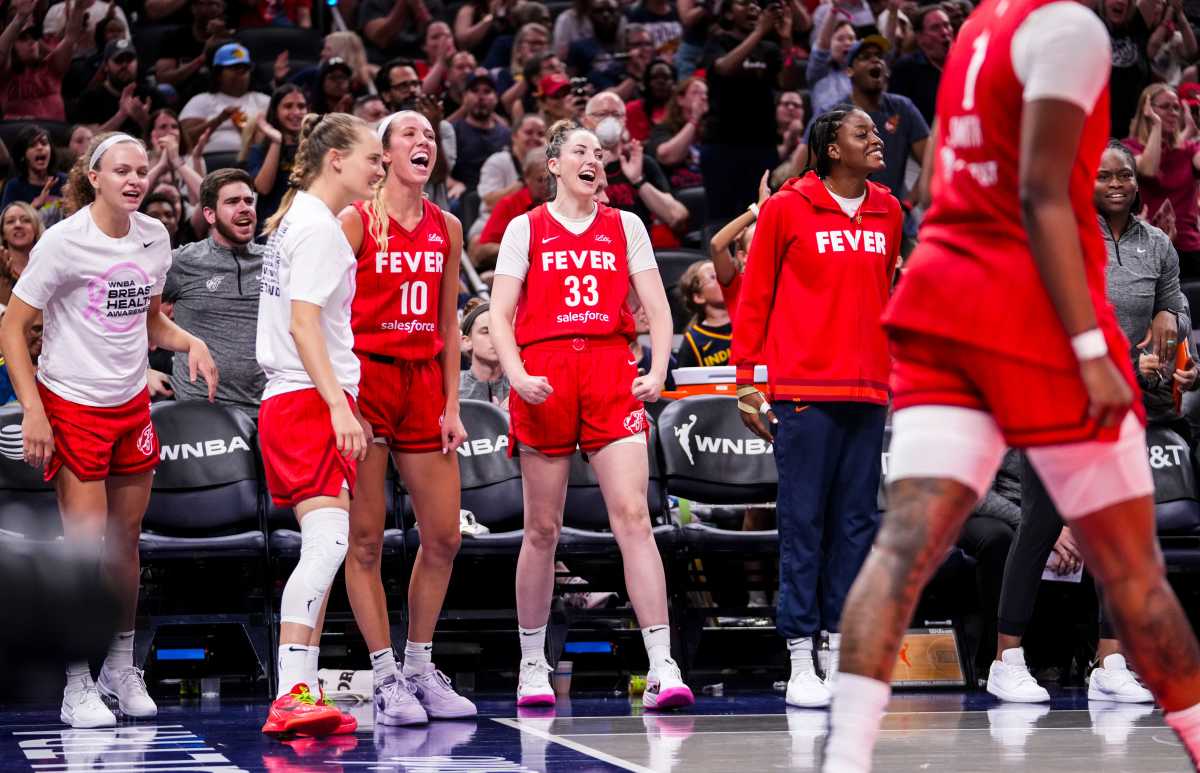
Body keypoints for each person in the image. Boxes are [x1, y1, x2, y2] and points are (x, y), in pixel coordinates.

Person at [819, 3, 1200, 770]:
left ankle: (844, 759)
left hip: (941, 298)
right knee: (1132, 568)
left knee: (901, 547)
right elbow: (1040, 189)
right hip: (1034, 309)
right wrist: (1091, 347)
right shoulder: (1072, 28)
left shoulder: (979, 28)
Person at [0, 131, 218, 729]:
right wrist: (34, 410)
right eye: (120, 170)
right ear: (93, 177)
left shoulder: (155, 236)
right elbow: (12, 328)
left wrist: (189, 339)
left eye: (141, 170)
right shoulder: (63, 243)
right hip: (71, 403)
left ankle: (120, 669)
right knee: (84, 548)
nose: (134, 179)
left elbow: (149, 323)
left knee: (125, 546)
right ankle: (76, 684)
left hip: (130, 407)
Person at [489, 119, 694, 710]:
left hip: (608, 368)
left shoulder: (625, 225)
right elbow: (500, 314)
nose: (593, 160)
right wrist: (518, 374)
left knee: (632, 515)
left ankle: (662, 664)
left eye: (598, 154)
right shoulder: (525, 229)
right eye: (580, 150)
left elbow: (658, 308)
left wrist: (656, 369)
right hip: (546, 371)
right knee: (542, 528)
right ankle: (532, 662)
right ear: (553, 165)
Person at [987, 140, 1195, 706]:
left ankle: (1110, 661)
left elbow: (1175, 308)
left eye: (1124, 174)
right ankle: (1006, 658)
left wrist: (1175, 339)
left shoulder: (1157, 246)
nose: (1116, 183)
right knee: (1039, 525)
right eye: (1103, 176)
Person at [733, 108, 900, 708]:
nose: (877, 139)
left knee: (857, 525)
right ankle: (801, 653)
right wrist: (747, 381)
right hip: (803, 389)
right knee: (802, 523)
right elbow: (754, 297)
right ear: (831, 147)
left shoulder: (890, 209)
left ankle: (839, 648)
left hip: (868, 391)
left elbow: (883, 290)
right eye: (863, 134)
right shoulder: (786, 206)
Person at [331, 110, 475, 726]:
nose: (424, 142)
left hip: (424, 383)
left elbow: (448, 324)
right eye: (409, 134)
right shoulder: (355, 221)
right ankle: (385, 674)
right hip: (366, 377)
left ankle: (419, 665)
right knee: (364, 538)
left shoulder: (448, 225)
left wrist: (451, 403)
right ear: (383, 153)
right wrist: (340, 399)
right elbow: (326, 313)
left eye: (430, 136)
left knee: (443, 535)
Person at [256, 112, 383, 737]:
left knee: (327, 546)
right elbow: (304, 324)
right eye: (372, 157)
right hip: (308, 399)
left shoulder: (299, 219)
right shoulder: (319, 230)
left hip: (302, 396)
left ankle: (299, 688)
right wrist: (337, 404)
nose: (380, 168)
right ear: (336, 159)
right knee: (329, 543)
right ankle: (290, 691)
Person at [155, 169, 265, 416]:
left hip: (266, 406)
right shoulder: (182, 263)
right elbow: (129, 311)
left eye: (249, 201)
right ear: (209, 214)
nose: (245, 208)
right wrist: (143, 372)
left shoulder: (275, 262)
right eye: (232, 202)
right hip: (201, 409)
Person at [701, 0, 789, 225]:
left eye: (756, 4)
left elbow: (787, 82)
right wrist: (760, 31)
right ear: (729, 14)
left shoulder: (769, 49)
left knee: (763, 218)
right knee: (723, 220)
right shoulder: (718, 41)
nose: (753, 7)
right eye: (743, 3)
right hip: (723, 145)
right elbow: (722, 68)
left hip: (761, 144)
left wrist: (786, 39)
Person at [1124, 84, 1200, 275]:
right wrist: (1156, 125)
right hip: (1147, 250)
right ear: (1147, 109)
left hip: (1189, 249)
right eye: (1165, 106)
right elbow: (1148, 169)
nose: (1173, 113)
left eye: (1176, 108)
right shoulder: (1128, 148)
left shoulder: (1187, 149)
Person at [0, 0, 86, 121]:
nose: (31, 43)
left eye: (34, 37)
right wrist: (20, 17)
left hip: (55, 133)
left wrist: (79, 7)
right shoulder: (6, 73)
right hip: (18, 135)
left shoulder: (51, 67)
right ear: (12, 46)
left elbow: (70, 38)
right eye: (23, 38)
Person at [179, 43, 270, 155]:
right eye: (234, 67)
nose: (241, 72)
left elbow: (273, 141)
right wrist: (218, 120)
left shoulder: (264, 101)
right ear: (218, 73)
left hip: (249, 160)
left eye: (245, 68)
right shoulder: (200, 100)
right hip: (207, 161)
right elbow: (184, 141)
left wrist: (245, 127)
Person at [470, 145, 552, 267]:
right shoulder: (509, 204)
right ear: (526, 178)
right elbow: (482, 250)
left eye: (552, 180)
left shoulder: (565, 204)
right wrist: (525, 251)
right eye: (540, 180)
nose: (547, 186)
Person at [474, 113, 547, 242]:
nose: (535, 138)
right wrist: (524, 182)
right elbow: (490, 202)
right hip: (491, 222)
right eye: (529, 132)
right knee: (478, 242)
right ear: (514, 136)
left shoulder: (553, 165)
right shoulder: (498, 161)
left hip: (533, 222)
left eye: (541, 134)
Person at [247, 85, 308, 234]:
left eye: (301, 106)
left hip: (305, 224)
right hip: (271, 228)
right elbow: (263, 188)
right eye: (288, 106)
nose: (296, 112)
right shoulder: (258, 150)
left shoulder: (314, 148)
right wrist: (276, 141)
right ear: (275, 112)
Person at [72, 39, 161, 136]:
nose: (125, 65)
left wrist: (143, 120)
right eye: (118, 60)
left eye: (129, 60)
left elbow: (166, 136)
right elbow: (88, 142)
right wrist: (122, 114)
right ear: (106, 65)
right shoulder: (90, 98)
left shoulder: (152, 95)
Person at [888, 5, 954, 125]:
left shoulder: (964, 63)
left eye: (946, 25)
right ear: (920, 37)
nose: (945, 32)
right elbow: (895, 118)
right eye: (935, 28)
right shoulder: (905, 69)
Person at [451, 71, 512, 191]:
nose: (481, 96)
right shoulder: (453, 131)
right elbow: (440, 173)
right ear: (464, 97)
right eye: (474, 91)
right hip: (464, 194)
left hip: (499, 194)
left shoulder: (506, 134)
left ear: (496, 98)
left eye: (487, 91)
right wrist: (453, 184)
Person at [646, 76, 706, 191]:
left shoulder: (712, 130)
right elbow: (667, 156)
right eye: (696, 92)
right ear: (680, 100)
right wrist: (694, 120)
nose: (703, 97)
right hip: (681, 192)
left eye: (706, 93)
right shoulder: (663, 129)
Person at [1, 126, 68, 225]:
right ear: (23, 155)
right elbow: (5, 223)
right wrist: (35, 205)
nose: (40, 147)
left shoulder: (65, 181)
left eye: (44, 143)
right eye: (32, 145)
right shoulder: (14, 187)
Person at [143, 109, 205, 215]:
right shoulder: (142, 157)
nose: (170, 131)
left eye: (174, 127)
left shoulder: (192, 159)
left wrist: (177, 161)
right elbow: (138, 195)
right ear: (152, 134)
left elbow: (199, 202)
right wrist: (158, 161)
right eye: (163, 127)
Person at [676, 260, 732, 368]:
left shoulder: (747, 322)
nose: (722, 278)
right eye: (713, 277)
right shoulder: (693, 340)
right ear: (699, 297)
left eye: (722, 273)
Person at [459, 299, 510, 407]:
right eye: (486, 331)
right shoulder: (451, 388)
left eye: (500, 331)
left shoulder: (521, 387)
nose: (495, 338)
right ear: (466, 341)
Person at [806, 16, 857, 117]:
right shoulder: (818, 72)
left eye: (851, 38)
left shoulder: (861, 75)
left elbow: (887, 54)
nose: (847, 43)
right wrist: (833, 11)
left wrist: (893, 11)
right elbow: (821, 50)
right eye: (840, 39)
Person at [0, 201, 44, 304]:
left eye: (26, 220)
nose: (18, 225)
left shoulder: (50, 264)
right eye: (10, 221)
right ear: (3, 233)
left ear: (36, 229)